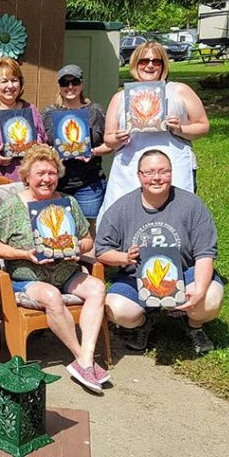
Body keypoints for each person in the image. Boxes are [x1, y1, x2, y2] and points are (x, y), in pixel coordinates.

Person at [0, 144, 109, 392]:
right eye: (40, 173)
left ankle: (84, 358)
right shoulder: (14, 206)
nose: (46, 179)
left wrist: (76, 247)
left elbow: (87, 240)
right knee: (52, 297)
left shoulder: (68, 202)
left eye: (52, 173)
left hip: (66, 271)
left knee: (96, 288)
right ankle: (82, 358)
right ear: (27, 177)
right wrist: (24, 254)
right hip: (27, 276)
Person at [95, 149, 224, 355]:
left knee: (209, 298)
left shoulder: (191, 204)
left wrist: (198, 290)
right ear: (139, 176)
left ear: (172, 173)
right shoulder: (121, 208)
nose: (157, 178)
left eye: (163, 171)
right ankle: (144, 323)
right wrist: (124, 257)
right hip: (136, 278)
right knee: (116, 309)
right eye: (149, 172)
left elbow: (205, 254)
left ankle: (194, 325)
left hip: (184, 273)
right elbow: (101, 250)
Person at [97, 42, 209, 224]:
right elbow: (108, 138)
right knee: (126, 218)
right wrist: (117, 139)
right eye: (144, 61)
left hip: (172, 166)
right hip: (129, 169)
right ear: (135, 64)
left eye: (156, 61)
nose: (150, 65)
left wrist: (180, 129)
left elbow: (203, 125)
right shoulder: (120, 97)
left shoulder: (180, 90)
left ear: (163, 65)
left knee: (175, 217)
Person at [41, 64, 112, 226]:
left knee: (88, 231)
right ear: (59, 86)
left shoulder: (95, 111)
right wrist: (51, 152)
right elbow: (40, 146)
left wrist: (93, 152)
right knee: (60, 228)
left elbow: (110, 145)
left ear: (82, 84)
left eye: (75, 81)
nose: (70, 87)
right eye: (65, 83)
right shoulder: (48, 113)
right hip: (57, 183)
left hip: (89, 184)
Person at [0, 57, 47, 183]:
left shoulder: (31, 109)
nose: (10, 86)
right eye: (4, 81)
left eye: (14, 80)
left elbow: (44, 142)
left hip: (32, 184)